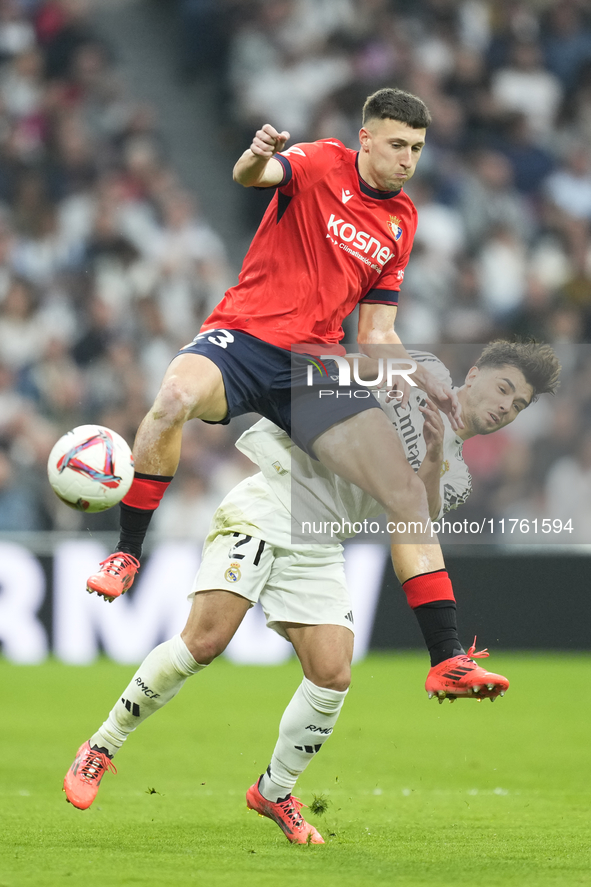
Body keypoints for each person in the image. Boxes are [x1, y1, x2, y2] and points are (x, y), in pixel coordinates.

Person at [64, 340, 561, 844]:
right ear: (473, 374)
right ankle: (102, 747)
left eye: (517, 405)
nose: (505, 407)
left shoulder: (458, 475)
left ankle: (275, 791)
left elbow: (416, 520)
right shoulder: (421, 371)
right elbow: (338, 362)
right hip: (272, 500)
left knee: (333, 674)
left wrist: (432, 455)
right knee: (204, 643)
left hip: (323, 541)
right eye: (503, 389)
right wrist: (375, 375)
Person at [85, 87, 468, 668]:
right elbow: (252, 174)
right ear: (366, 139)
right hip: (243, 335)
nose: (408, 159)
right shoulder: (319, 162)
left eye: (416, 148)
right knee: (173, 398)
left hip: (312, 363)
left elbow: (378, 332)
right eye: (397, 145)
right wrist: (257, 152)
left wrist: (423, 382)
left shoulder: (401, 221)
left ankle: (447, 658)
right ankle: (127, 553)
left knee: (406, 490)